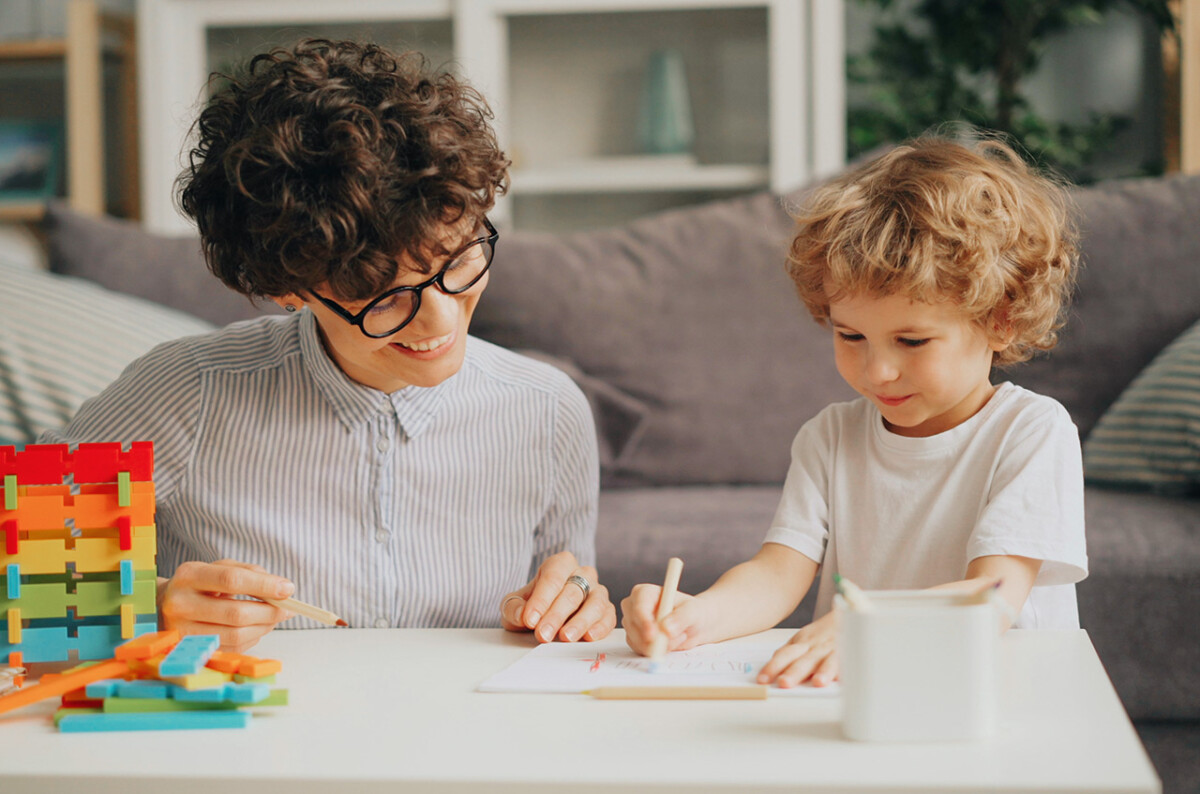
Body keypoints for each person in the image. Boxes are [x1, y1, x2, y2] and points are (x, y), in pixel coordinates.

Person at [40, 39, 616, 651]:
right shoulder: (186, 393)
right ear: (289, 289)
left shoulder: (550, 410)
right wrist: (150, 606)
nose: (440, 319)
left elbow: (568, 607)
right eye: (383, 297)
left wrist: (579, 606)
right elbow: (23, 578)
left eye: (457, 260)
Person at [621, 135, 1088, 687]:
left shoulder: (1031, 432)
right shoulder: (830, 436)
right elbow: (776, 576)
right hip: (865, 691)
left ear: (1000, 321)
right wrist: (693, 619)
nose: (878, 371)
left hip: (994, 695)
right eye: (851, 336)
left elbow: (994, 594)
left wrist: (866, 624)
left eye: (911, 341)